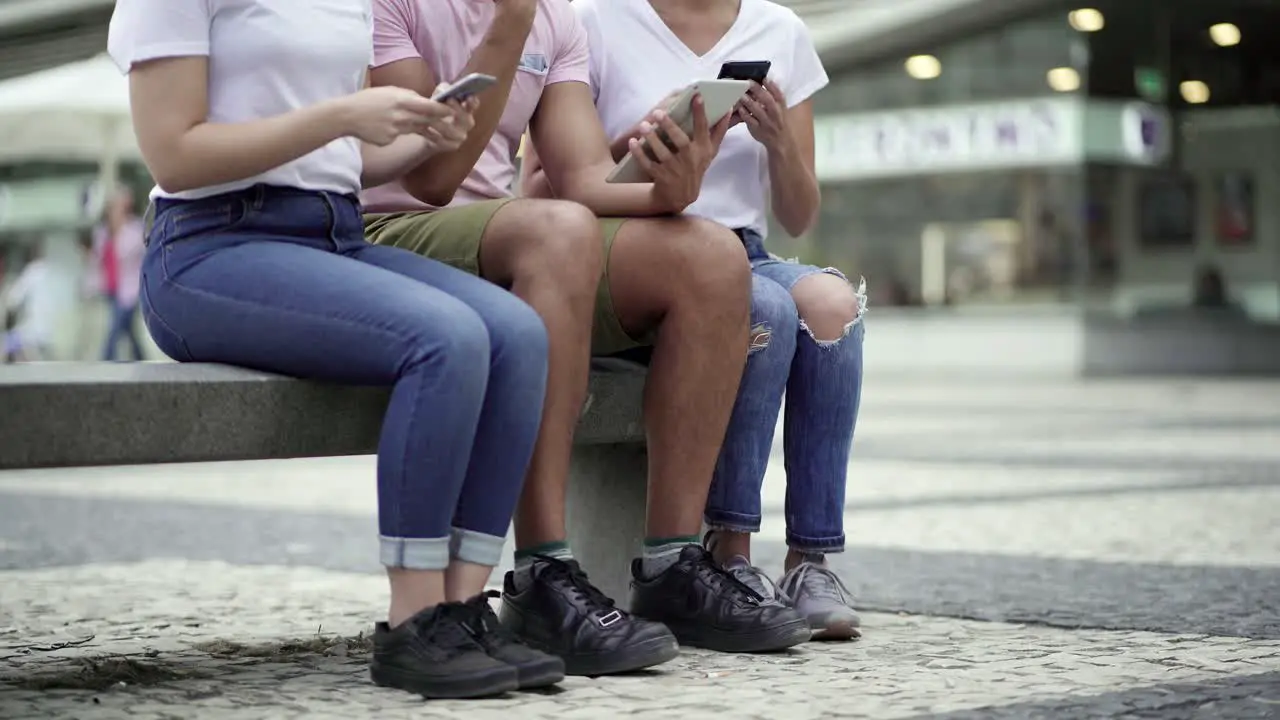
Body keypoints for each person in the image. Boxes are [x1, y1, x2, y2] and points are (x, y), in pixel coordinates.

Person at [108, 0, 566, 698]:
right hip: (209, 246)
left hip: (331, 233)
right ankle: (413, 621)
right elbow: (175, 153)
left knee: (518, 335)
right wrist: (342, 115)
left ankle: (462, 608)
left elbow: (343, 159)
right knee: (445, 338)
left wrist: (423, 133)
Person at [364, 0, 810, 676]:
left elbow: (583, 179)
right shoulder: (391, 6)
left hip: (515, 233)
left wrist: (672, 187)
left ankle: (673, 565)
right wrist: (508, 24)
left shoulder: (555, 19)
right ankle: (542, 572)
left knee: (714, 258)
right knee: (555, 231)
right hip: (389, 230)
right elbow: (431, 178)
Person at [538, 0, 868, 640]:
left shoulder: (782, 30)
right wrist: (639, 138)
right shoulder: (594, 21)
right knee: (763, 305)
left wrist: (777, 143)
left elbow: (800, 216)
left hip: (743, 247)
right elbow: (548, 182)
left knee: (832, 307)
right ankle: (729, 552)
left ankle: (810, 561)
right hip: (639, 245)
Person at [94, 186, 147, 361]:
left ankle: (105, 361)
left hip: (130, 289)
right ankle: (141, 359)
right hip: (111, 287)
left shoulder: (135, 228)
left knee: (115, 328)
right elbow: (99, 259)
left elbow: (133, 253)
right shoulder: (103, 231)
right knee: (129, 330)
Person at [2, 244, 55, 362]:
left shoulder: (31, 272)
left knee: (9, 343)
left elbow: (13, 299)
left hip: (32, 332)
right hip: (48, 332)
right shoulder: (49, 271)